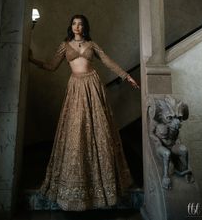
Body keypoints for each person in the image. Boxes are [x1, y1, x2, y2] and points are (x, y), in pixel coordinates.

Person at [29, 14, 140, 211]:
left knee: (100, 130)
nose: (77, 26)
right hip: (75, 88)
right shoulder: (65, 45)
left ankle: (102, 188)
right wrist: (31, 60)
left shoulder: (92, 44)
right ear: (70, 26)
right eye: (74, 23)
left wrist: (126, 76)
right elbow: (51, 66)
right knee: (75, 132)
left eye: (80, 24)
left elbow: (108, 61)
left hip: (92, 86)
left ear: (85, 27)